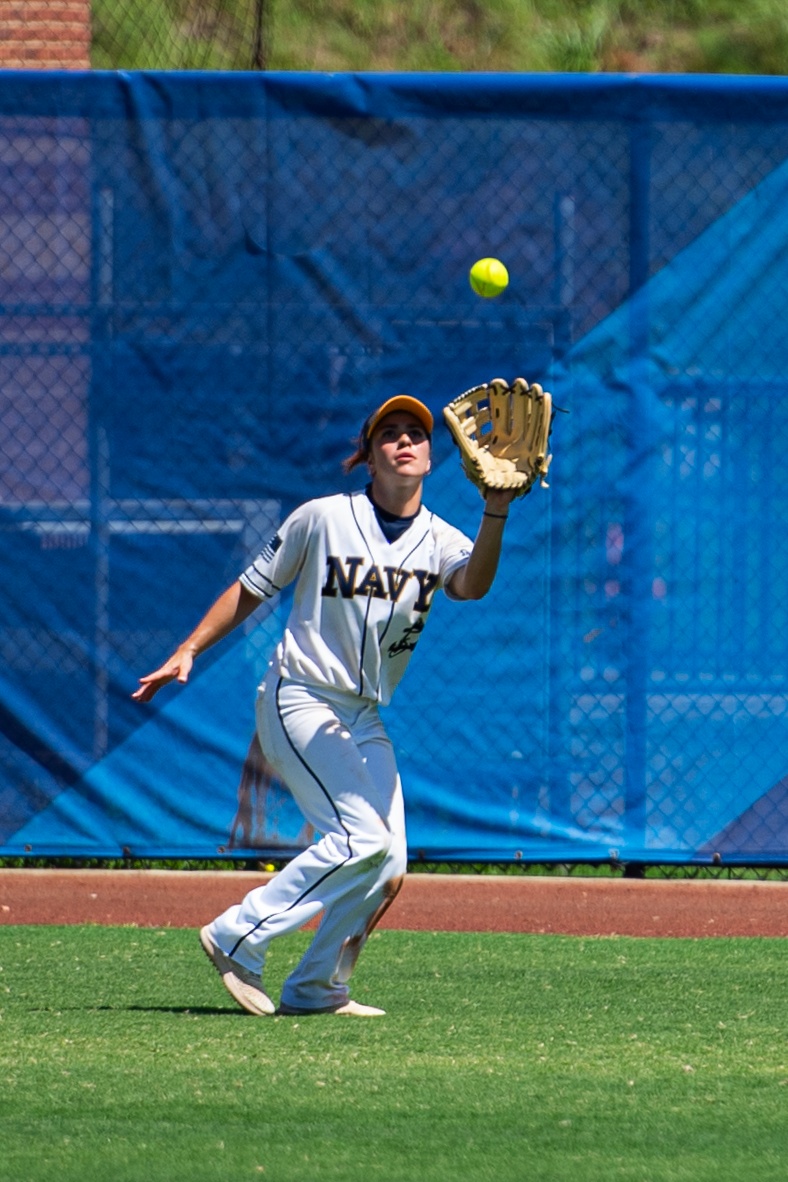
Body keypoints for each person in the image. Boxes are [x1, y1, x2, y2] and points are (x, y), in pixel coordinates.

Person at [133, 395, 516, 1017]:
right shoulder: (322, 517)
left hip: (362, 713)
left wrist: (494, 511)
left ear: (430, 454)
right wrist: (188, 648)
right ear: (367, 457)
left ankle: (316, 987)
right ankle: (237, 934)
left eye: (415, 433)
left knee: (388, 861)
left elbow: (472, 585)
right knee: (358, 836)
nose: (405, 441)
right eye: (388, 433)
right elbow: (251, 589)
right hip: (300, 696)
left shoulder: (440, 536)